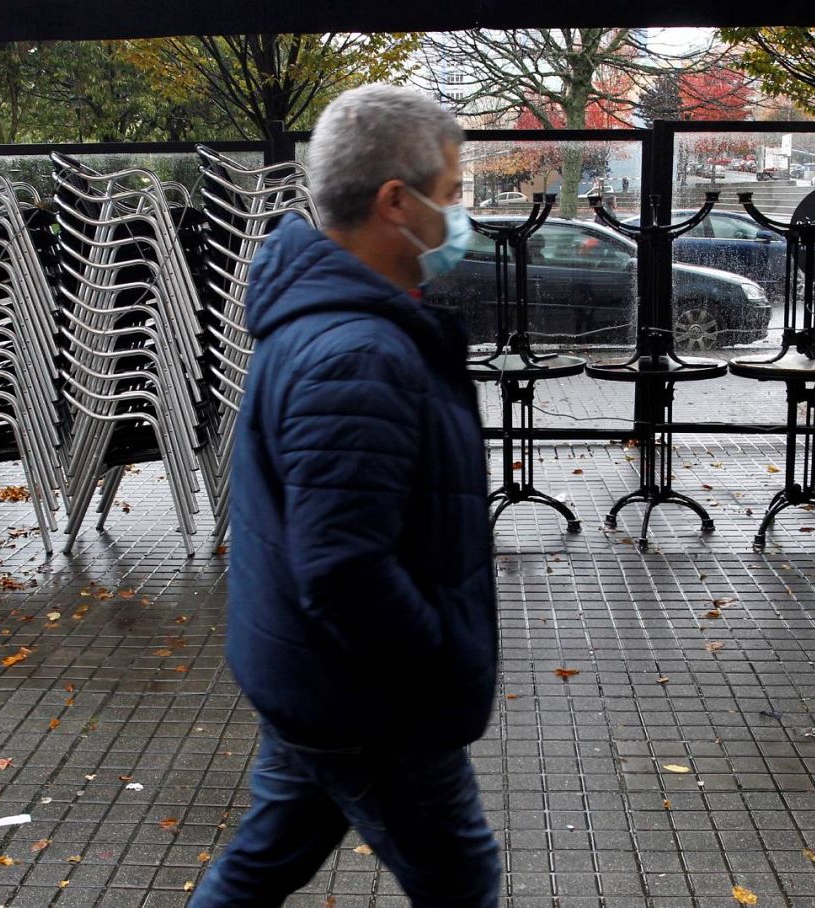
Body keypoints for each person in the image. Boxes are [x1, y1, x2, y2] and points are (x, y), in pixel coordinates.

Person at [191, 85, 500, 906]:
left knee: (261, 866)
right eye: (452, 191)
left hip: (317, 680)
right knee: (462, 881)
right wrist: (434, 660)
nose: (459, 213)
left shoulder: (334, 324)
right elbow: (344, 566)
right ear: (396, 202)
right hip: (371, 703)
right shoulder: (356, 351)